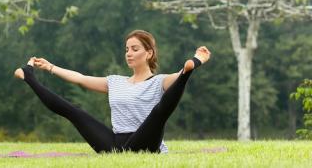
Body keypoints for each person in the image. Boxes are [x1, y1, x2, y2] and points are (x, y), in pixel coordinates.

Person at [14, 30, 210, 153]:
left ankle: (191, 68)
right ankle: (28, 76)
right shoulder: (115, 82)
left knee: (159, 112)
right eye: (127, 49)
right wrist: (50, 67)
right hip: (116, 144)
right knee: (74, 112)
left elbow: (176, 78)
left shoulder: (159, 81)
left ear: (149, 53)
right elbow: (81, 79)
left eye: (134, 49)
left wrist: (189, 66)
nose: (129, 53)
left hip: (147, 142)